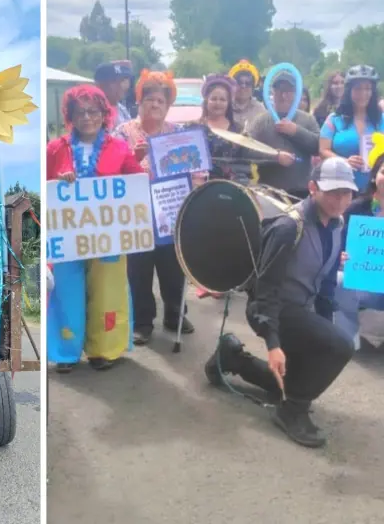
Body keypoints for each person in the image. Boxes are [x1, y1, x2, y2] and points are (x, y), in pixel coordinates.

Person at [204, 157, 357, 448]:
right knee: (341, 346)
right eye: (333, 192)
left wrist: (325, 326)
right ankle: (291, 411)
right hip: (273, 310)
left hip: (301, 310)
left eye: (347, 192)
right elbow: (266, 289)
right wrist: (273, 343)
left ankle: (231, 357)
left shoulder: (337, 223)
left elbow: (324, 285)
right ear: (313, 187)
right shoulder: (289, 227)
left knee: (296, 378)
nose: (340, 200)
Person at [47, 84, 144, 372]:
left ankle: (104, 349)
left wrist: (146, 168)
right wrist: (57, 180)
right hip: (68, 233)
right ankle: (66, 352)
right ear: (70, 116)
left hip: (108, 234)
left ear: (105, 114)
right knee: (67, 290)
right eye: (80, 112)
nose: (87, 117)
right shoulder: (55, 148)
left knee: (107, 292)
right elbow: (43, 186)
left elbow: (136, 184)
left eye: (93, 111)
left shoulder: (120, 148)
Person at [114, 70, 193, 345]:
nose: (155, 105)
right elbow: (112, 169)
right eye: (150, 99)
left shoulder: (178, 134)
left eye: (161, 100)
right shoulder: (122, 133)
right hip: (136, 212)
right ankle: (143, 322)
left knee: (174, 266)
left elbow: (192, 168)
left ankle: (176, 314)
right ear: (140, 101)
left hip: (170, 210)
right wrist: (133, 158)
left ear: (168, 105)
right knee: (139, 269)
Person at [334, 152, 384, 350]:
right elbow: (335, 243)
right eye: (383, 171)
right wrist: (340, 256)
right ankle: (345, 340)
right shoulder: (356, 208)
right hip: (358, 277)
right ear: (374, 176)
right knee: (337, 281)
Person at [245, 71, 317, 199]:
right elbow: (247, 151)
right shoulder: (261, 121)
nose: (284, 95)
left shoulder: (307, 119)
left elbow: (318, 147)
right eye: (279, 90)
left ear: (296, 94)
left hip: (301, 192)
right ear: (272, 93)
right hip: (269, 192)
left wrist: (296, 131)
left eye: (289, 91)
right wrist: (274, 156)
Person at [318, 65, 383, 189]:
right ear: (349, 91)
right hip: (341, 188)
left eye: (367, 89)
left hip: (376, 191)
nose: (363, 93)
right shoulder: (334, 119)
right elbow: (322, 150)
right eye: (358, 88)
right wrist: (344, 161)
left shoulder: (382, 119)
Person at [228, 59, 268, 129]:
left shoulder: (260, 109)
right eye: (239, 82)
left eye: (248, 83)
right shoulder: (224, 106)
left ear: (253, 87)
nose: (243, 86)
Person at [93, 61, 133, 128]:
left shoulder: (122, 110)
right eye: (114, 81)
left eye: (121, 81)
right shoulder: (90, 111)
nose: (120, 85)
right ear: (99, 84)